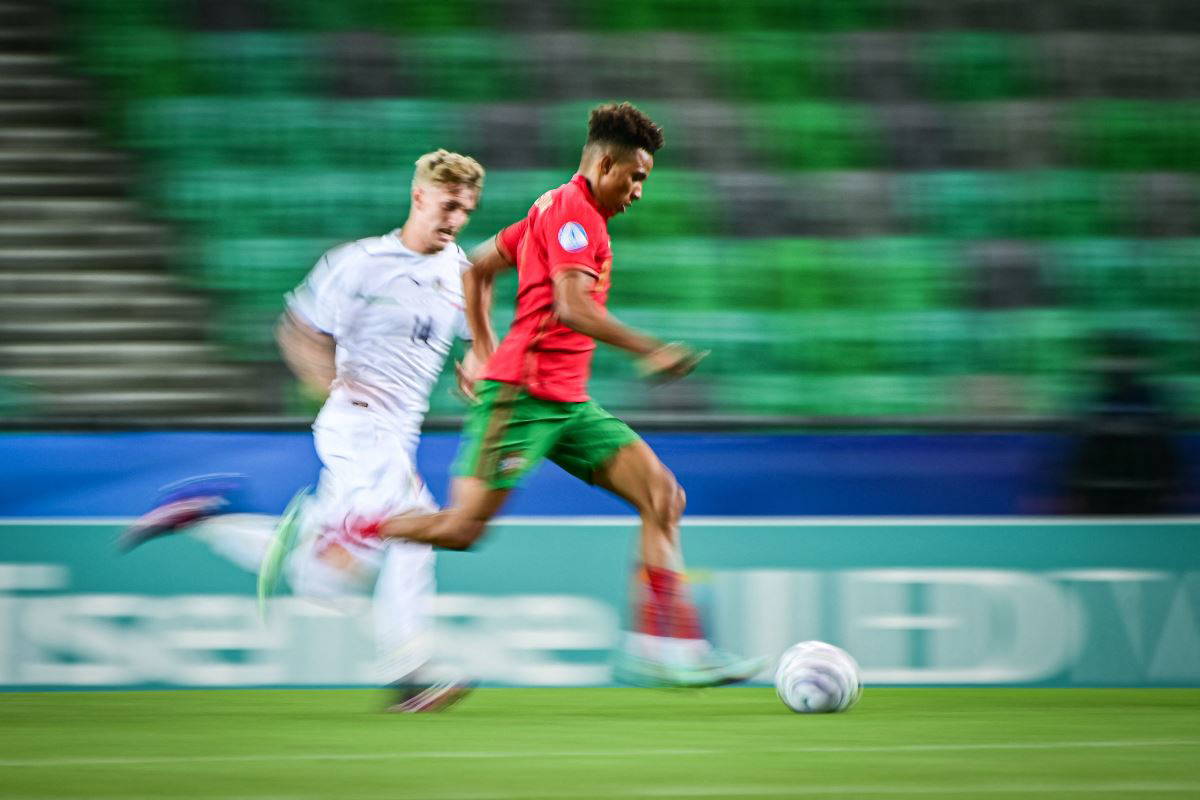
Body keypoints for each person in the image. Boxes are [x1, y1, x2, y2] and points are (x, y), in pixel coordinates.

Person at [372, 103, 765, 687]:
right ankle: (356, 525)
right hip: (522, 398)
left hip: (568, 402)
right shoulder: (574, 216)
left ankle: (665, 645)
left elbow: (477, 270)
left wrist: (481, 346)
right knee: (461, 530)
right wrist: (648, 349)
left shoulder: (551, 208)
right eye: (635, 177)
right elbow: (572, 306)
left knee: (662, 496)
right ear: (605, 164)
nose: (638, 191)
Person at [121, 149, 486, 711]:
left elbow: (475, 340)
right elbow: (297, 329)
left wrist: (474, 364)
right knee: (422, 529)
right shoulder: (358, 263)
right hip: (356, 425)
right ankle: (410, 673)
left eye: (466, 209)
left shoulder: (459, 274)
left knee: (324, 578)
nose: (456, 219)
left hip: (397, 433)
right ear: (419, 197)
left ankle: (206, 517)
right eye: (447, 205)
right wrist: (329, 382)